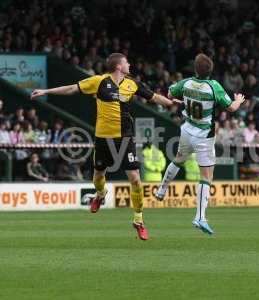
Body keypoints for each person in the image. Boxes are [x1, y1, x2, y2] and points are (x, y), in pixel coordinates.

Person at [31, 52, 177, 240]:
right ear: (118, 66)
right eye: (126, 62)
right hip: (103, 138)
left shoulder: (132, 84)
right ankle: (100, 193)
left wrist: (172, 103)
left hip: (125, 138)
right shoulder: (99, 81)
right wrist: (46, 91)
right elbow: (72, 89)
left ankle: (139, 220)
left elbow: (155, 97)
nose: (129, 64)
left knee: (135, 178)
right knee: (98, 176)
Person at [155, 53, 246, 234]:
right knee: (206, 176)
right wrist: (238, 101)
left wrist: (184, 100)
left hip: (187, 129)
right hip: (204, 135)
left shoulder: (186, 83)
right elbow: (231, 108)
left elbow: (170, 93)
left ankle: (161, 190)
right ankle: (199, 217)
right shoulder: (214, 87)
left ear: (195, 69)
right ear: (210, 70)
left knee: (178, 160)